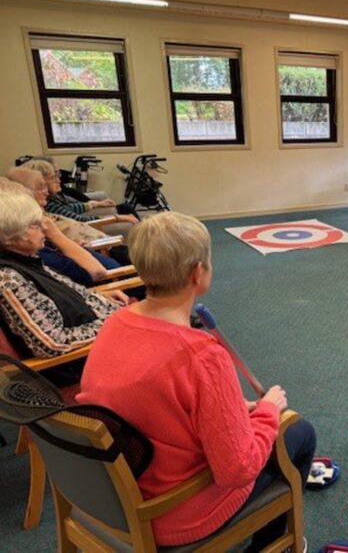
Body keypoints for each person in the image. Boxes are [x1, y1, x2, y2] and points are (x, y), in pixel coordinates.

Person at [76, 211, 316, 549]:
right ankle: (276, 545)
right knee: (299, 433)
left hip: (111, 493)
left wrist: (232, 409)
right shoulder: (202, 355)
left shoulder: (115, 323)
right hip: (171, 511)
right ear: (198, 274)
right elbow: (238, 469)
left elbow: (160, 405)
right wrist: (268, 411)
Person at [0, 189, 126, 358]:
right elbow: (52, 344)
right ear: (8, 238)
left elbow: (53, 298)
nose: (45, 228)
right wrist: (115, 323)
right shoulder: (8, 279)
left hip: (107, 337)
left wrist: (97, 295)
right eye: (34, 225)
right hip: (87, 361)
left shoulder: (28, 259)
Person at [5, 168, 122, 286]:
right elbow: (97, 272)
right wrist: (57, 236)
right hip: (110, 278)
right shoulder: (39, 255)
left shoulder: (40, 249)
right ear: (8, 237)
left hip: (101, 270)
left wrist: (69, 244)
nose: (46, 192)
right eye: (34, 225)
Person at [21, 159, 137, 237]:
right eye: (53, 177)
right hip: (89, 237)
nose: (59, 180)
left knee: (126, 209)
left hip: (87, 235)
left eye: (57, 175)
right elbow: (80, 220)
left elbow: (69, 208)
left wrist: (92, 204)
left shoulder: (51, 201)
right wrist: (117, 218)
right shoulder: (48, 205)